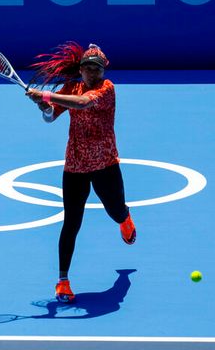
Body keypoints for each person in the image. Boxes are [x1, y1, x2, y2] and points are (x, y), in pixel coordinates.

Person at [25, 42, 136, 304]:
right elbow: (52, 116)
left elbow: (83, 104)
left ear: (102, 71)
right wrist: (43, 106)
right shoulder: (71, 87)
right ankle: (63, 281)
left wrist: (46, 95)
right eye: (87, 68)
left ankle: (125, 218)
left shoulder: (107, 89)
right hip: (74, 166)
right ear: (81, 69)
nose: (91, 73)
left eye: (96, 69)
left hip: (105, 164)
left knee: (116, 210)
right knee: (71, 222)